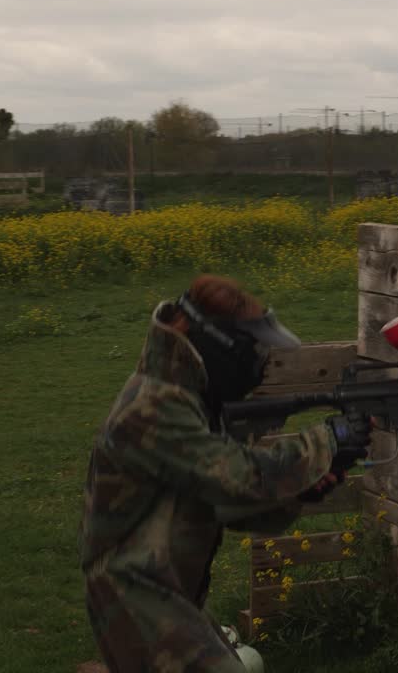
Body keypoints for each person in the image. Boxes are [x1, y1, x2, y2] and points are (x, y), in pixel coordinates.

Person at [78, 274, 370, 672]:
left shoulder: (187, 399)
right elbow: (237, 477)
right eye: (252, 350)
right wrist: (327, 442)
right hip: (133, 592)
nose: (258, 364)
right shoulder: (153, 407)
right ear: (219, 344)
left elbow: (228, 503)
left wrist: (303, 491)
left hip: (164, 588)